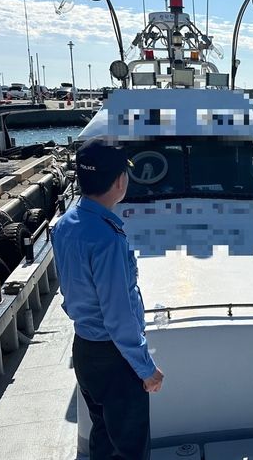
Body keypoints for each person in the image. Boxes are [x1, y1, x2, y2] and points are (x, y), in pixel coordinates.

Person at [52, 137, 164, 460]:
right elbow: (118, 316)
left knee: (102, 436)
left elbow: (67, 288)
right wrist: (146, 368)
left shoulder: (64, 226)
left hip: (85, 351)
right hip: (116, 360)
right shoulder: (108, 237)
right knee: (131, 448)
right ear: (119, 182)